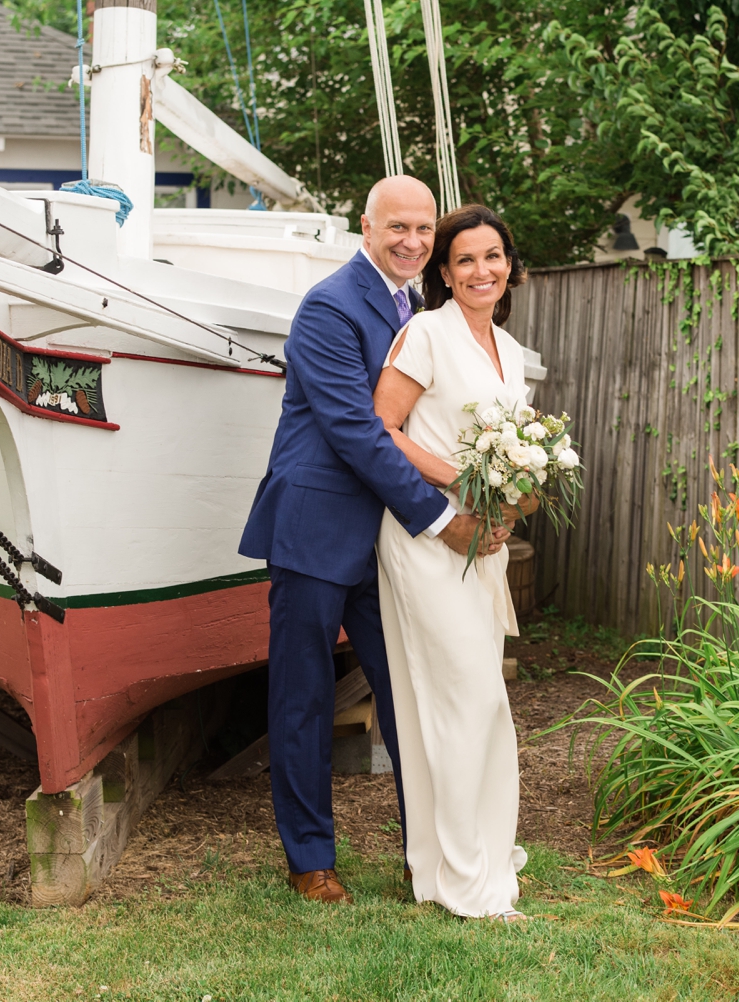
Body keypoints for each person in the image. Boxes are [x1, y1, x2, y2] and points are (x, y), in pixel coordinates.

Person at [238, 177, 508, 905]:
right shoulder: (329, 306)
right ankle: (310, 861)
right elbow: (358, 431)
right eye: (398, 227)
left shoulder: (418, 310)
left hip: (390, 543)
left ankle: (434, 856)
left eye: (424, 229)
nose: (413, 241)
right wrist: (443, 516)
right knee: (303, 698)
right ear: (366, 226)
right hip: (318, 528)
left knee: (411, 694)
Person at [372, 204, 537, 921]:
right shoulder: (426, 333)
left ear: (510, 265)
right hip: (425, 540)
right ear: (443, 272)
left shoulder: (510, 348)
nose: (481, 271)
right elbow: (381, 427)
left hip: (483, 546)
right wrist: (458, 483)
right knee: (461, 701)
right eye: (465, 260)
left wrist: (509, 505)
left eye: (492, 256)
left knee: (483, 704)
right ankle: (468, 883)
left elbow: (517, 461)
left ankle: (456, 865)